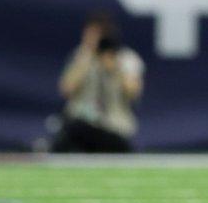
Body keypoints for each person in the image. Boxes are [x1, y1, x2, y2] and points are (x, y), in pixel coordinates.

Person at [53, 12, 144, 153]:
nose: (91, 39)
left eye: (96, 35)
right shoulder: (81, 56)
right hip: (81, 125)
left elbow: (133, 92)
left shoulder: (126, 59)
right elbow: (67, 89)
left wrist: (115, 69)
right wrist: (86, 60)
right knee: (71, 128)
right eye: (88, 35)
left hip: (114, 128)